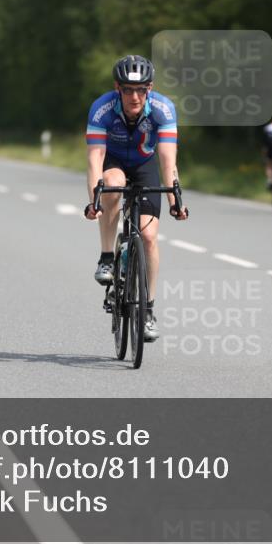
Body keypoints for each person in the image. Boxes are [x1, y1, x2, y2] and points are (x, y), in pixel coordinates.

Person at [83, 55, 188, 342]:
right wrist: (95, 198)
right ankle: (107, 257)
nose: (134, 96)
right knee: (113, 186)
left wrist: (174, 199)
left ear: (149, 88)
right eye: (127, 89)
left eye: (140, 89)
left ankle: (149, 309)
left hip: (144, 165)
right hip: (113, 161)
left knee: (150, 237)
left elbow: (168, 161)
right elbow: (95, 160)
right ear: (117, 88)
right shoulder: (102, 109)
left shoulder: (163, 109)